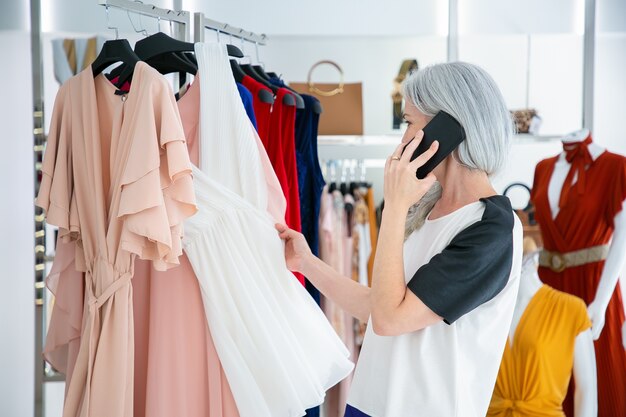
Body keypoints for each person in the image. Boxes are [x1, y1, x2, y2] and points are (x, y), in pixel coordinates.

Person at [276, 62, 523, 417]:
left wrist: (394, 206)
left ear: (448, 128)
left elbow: (391, 319)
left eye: (409, 122)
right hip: (369, 402)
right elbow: (378, 306)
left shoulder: (492, 230)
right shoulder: (428, 208)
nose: (402, 139)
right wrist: (305, 262)